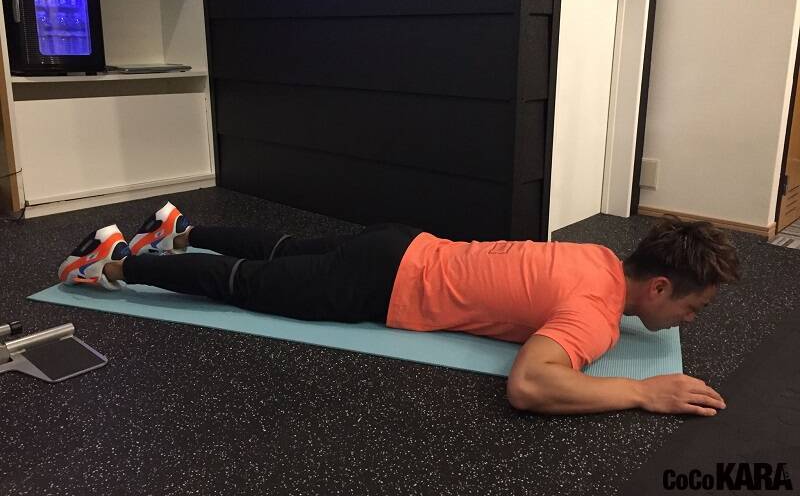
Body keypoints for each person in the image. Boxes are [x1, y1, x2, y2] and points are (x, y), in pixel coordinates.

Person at [58, 201, 740, 417]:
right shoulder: (593, 315)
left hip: (405, 244)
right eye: (695, 307)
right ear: (658, 287)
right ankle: (110, 262)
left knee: (282, 248)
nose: (691, 322)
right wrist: (641, 392)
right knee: (249, 283)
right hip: (384, 286)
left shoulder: (596, 255)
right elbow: (531, 384)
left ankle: (178, 228)